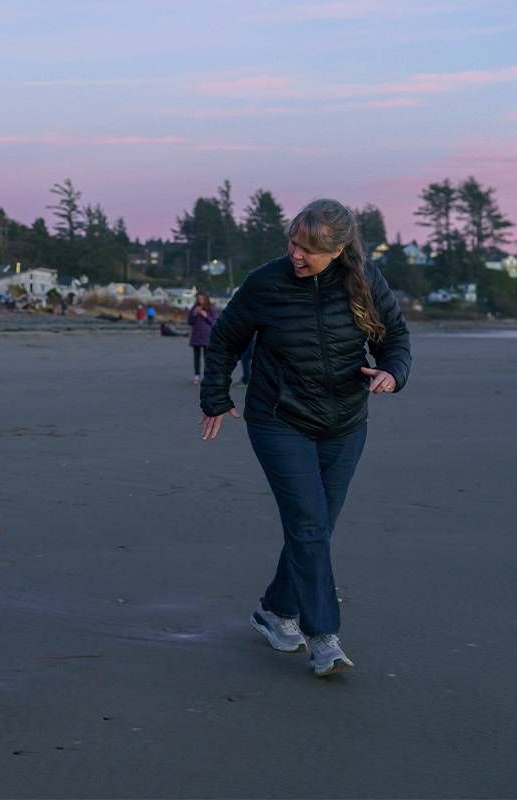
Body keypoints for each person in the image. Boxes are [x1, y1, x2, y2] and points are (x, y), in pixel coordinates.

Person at [198, 198, 411, 678]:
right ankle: (323, 637)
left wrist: (392, 374)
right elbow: (225, 338)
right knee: (310, 527)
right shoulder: (266, 282)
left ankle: (274, 610)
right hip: (279, 419)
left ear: (337, 250)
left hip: (345, 422)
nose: (297, 255)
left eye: (309, 250)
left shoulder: (365, 280)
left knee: (314, 527)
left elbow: (395, 338)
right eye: (293, 243)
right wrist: (215, 396)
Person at [187, 291, 218, 384]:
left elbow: (214, 322)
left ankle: (208, 376)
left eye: (202, 299)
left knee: (207, 357)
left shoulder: (211, 308)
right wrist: (195, 314)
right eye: (198, 298)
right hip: (196, 336)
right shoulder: (194, 307)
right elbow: (190, 322)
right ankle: (197, 375)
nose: (200, 300)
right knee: (196, 357)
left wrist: (205, 315)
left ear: (206, 299)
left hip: (207, 337)